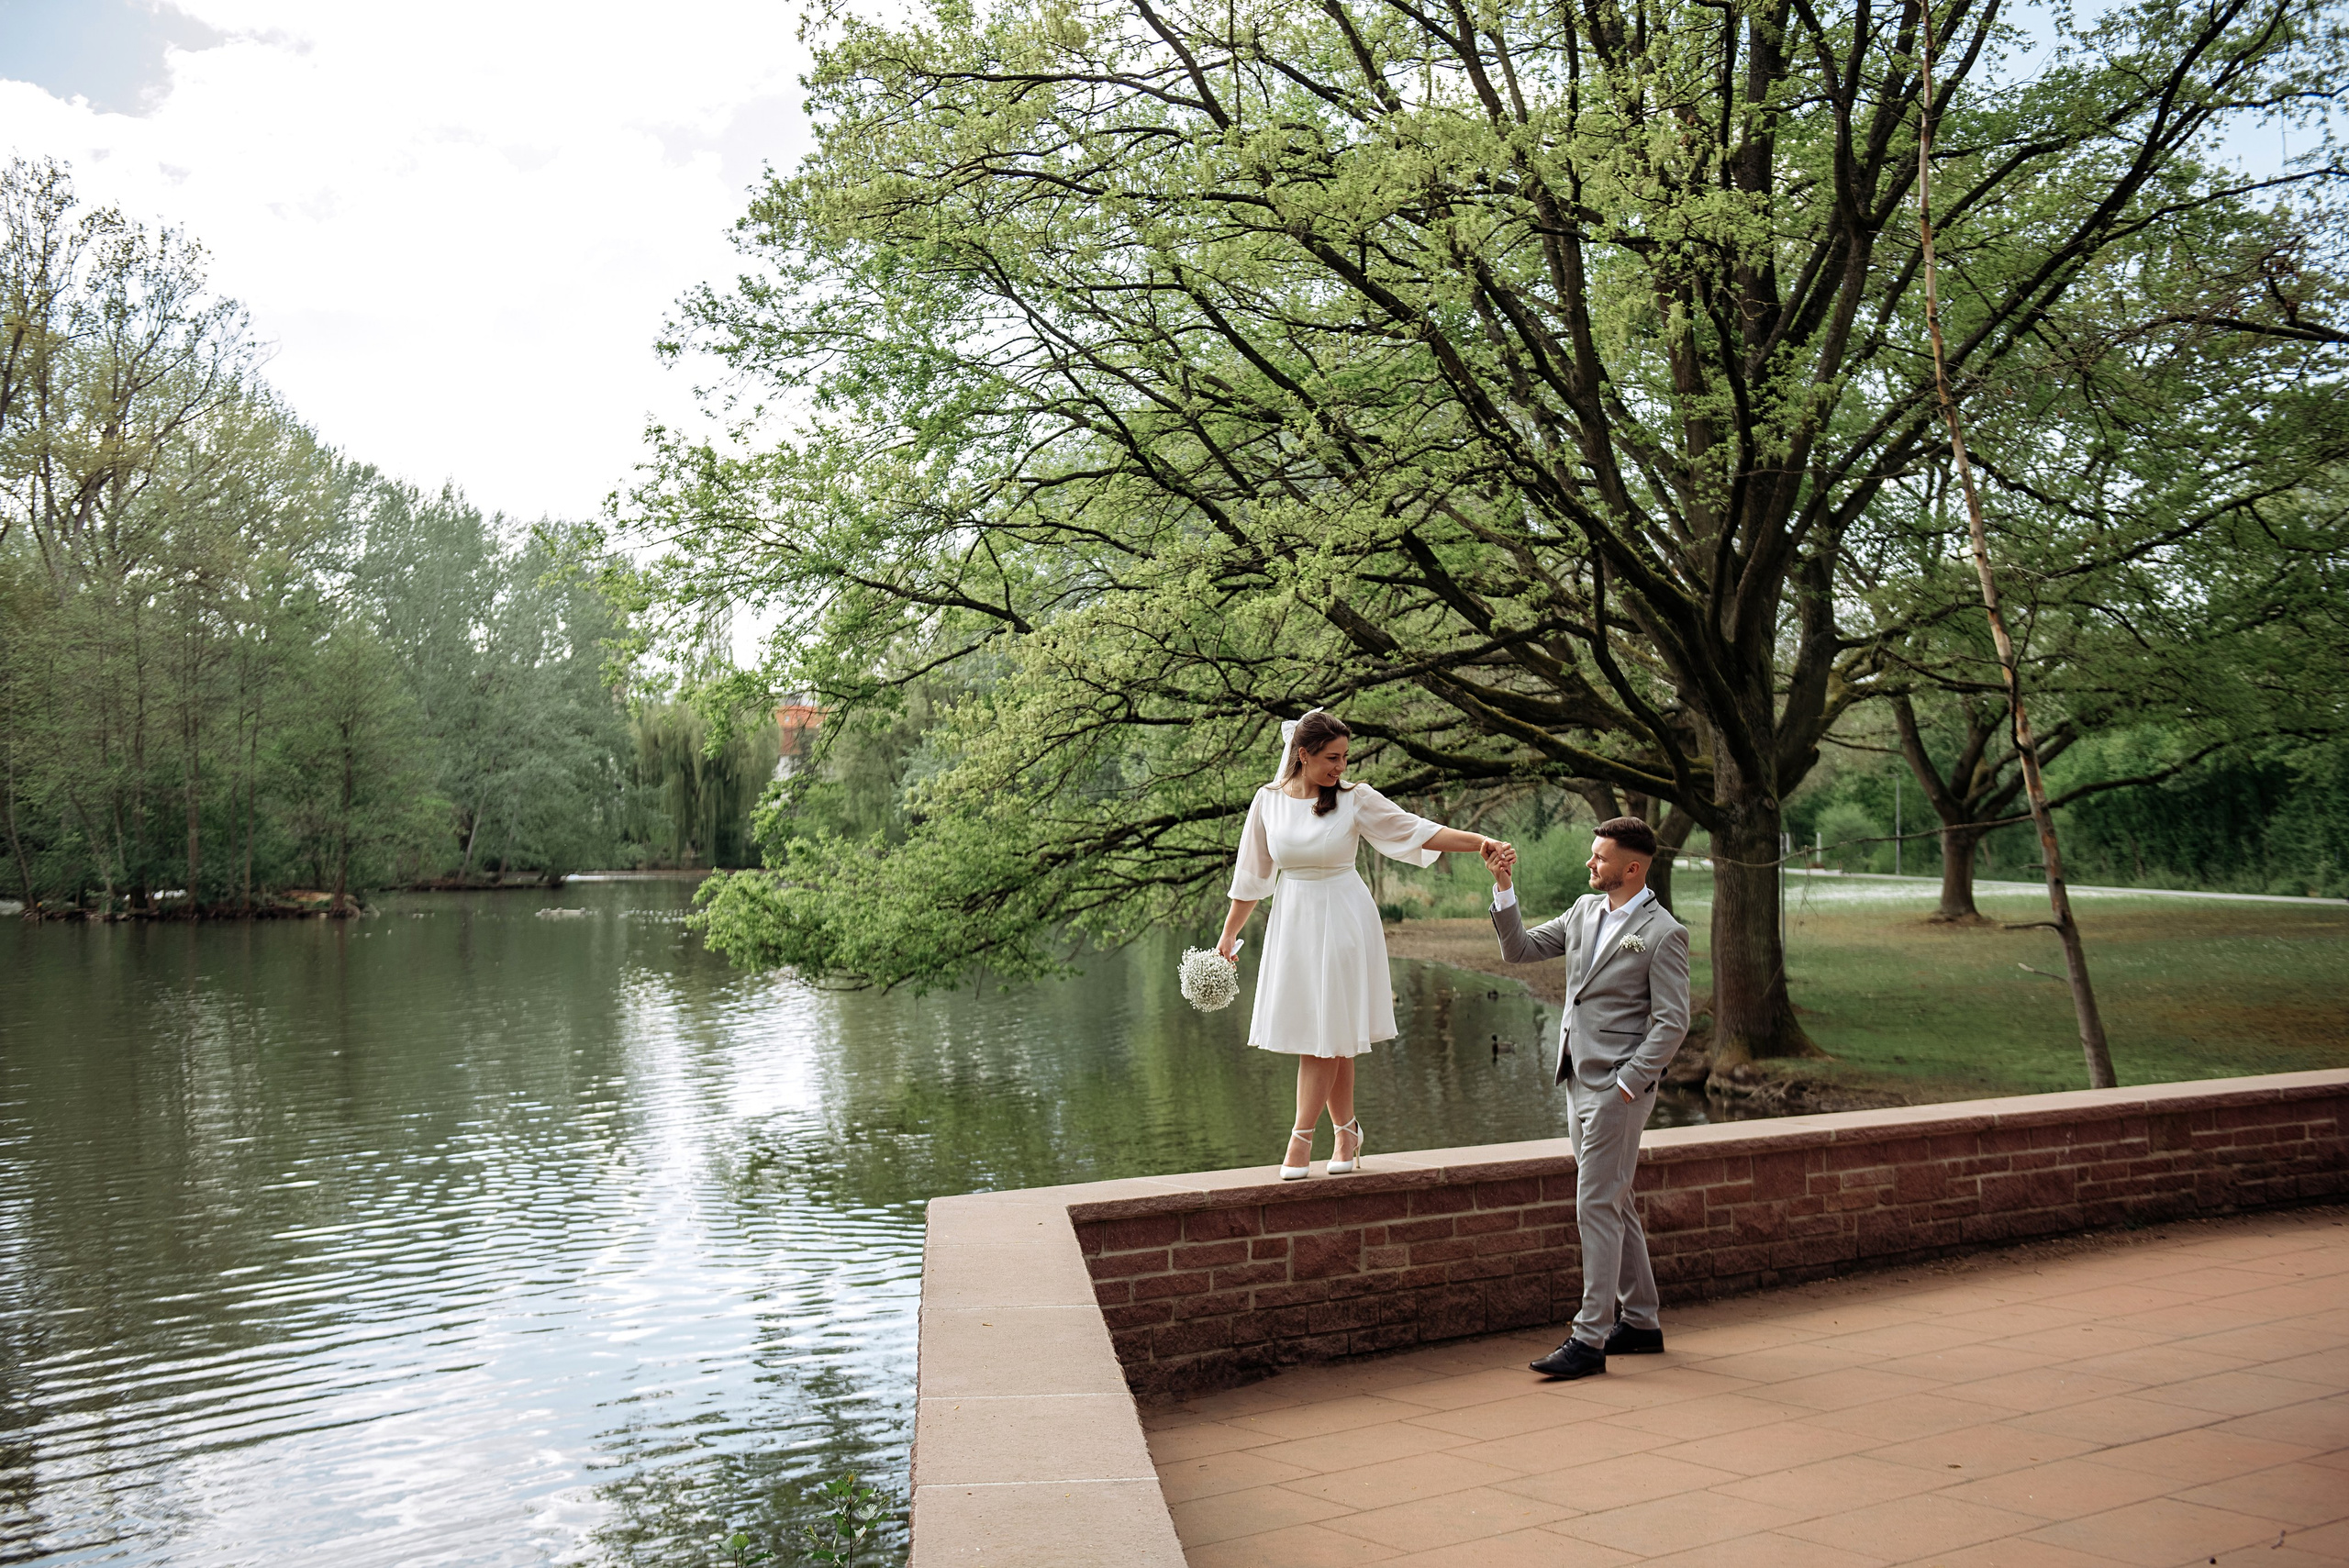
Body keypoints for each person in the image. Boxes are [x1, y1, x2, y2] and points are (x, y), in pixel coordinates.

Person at [1216, 710, 1508, 1180]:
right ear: (1302, 754)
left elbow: (1416, 829)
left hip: (1344, 918)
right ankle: (1347, 1133)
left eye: (1345, 757)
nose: (1341, 767)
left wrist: (1479, 841)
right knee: (1334, 1033)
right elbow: (1250, 874)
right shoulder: (1267, 801)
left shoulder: (1356, 799)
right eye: (1332, 758)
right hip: (1293, 919)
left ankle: (1299, 1139)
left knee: (1324, 1032)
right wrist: (1229, 935)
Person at [1486, 817, 1691, 1380]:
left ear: (1633, 868)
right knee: (1615, 1201)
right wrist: (1503, 887)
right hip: (1576, 1078)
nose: (1589, 864)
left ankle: (1589, 1338)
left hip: (1616, 1091)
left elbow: (1673, 1022)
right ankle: (1642, 1323)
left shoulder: (1662, 933)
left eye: (1600, 858)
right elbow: (1519, 950)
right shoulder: (1583, 911)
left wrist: (1628, 1083)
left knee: (1595, 1204)